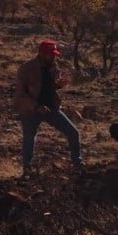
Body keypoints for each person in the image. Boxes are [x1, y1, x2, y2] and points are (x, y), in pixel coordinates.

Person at [14, 40, 83, 177]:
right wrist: (36, 106)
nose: (53, 57)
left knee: (73, 132)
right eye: (50, 54)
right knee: (29, 139)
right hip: (31, 110)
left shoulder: (53, 67)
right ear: (41, 53)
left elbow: (49, 87)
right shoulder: (26, 68)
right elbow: (20, 94)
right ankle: (27, 171)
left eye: (54, 54)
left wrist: (59, 85)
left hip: (51, 108)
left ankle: (78, 164)